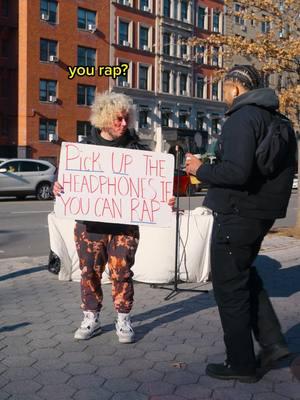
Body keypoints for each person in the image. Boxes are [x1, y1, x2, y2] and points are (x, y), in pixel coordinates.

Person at [185, 65, 296, 382]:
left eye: (224, 88)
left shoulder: (243, 118)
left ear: (235, 88)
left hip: (236, 214)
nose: (224, 95)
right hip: (260, 214)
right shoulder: (279, 120)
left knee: (229, 289)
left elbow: (236, 172)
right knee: (246, 277)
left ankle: (241, 363)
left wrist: (200, 168)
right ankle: (273, 345)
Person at [53, 91, 175, 343]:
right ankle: (91, 318)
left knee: (122, 272)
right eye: (117, 119)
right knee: (90, 272)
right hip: (90, 226)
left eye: (125, 119)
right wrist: (58, 186)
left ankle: (123, 319)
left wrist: (165, 199)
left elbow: (153, 188)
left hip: (124, 227)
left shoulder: (138, 151)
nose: (122, 124)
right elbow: (66, 181)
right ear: (104, 118)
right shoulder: (83, 150)